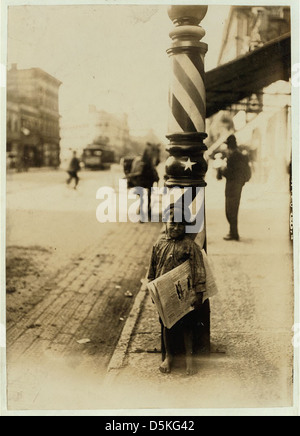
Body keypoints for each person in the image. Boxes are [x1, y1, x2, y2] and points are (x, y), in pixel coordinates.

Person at [147, 203, 206, 375]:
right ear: (165, 222)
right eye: (173, 223)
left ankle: (189, 359)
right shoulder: (159, 245)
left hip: (185, 294)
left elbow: (198, 270)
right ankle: (169, 357)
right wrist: (152, 289)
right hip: (165, 295)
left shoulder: (190, 246)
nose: (176, 227)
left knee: (187, 326)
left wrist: (198, 291)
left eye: (181, 224)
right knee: (167, 325)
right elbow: (152, 269)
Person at [219, 134, 251, 241]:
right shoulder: (241, 155)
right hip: (237, 185)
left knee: (230, 210)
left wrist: (222, 169)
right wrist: (242, 182)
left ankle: (233, 233)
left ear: (229, 146)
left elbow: (230, 172)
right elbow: (246, 172)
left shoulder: (233, 157)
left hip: (232, 186)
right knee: (233, 209)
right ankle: (233, 232)